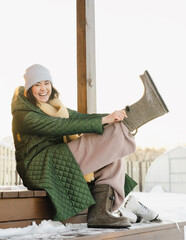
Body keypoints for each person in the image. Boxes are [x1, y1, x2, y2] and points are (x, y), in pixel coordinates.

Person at [11, 64, 167, 228]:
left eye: (46, 83)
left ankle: (100, 214)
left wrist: (112, 116)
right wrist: (105, 121)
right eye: (37, 84)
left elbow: (80, 118)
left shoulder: (54, 107)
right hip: (39, 167)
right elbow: (61, 126)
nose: (43, 89)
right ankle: (140, 113)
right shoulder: (24, 115)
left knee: (112, 157)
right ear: (29, 89)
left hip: (55, 158)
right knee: (96, 142)